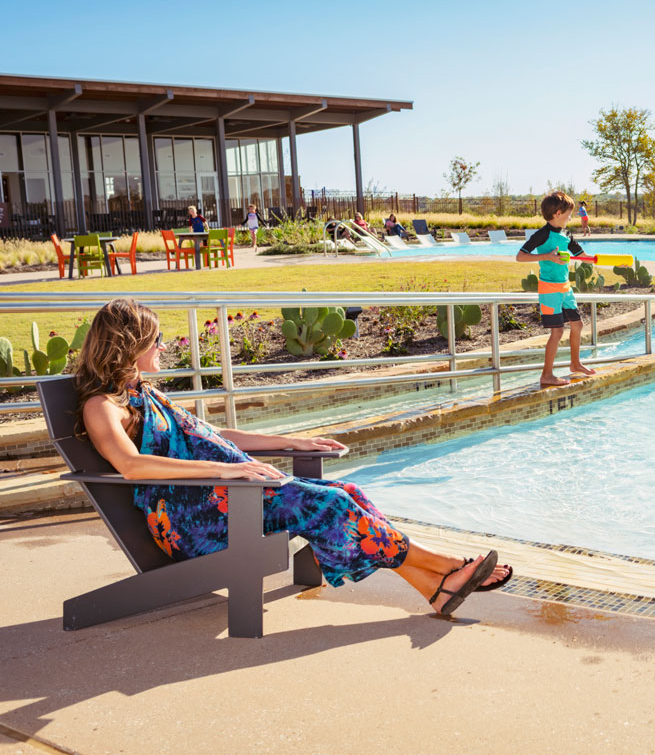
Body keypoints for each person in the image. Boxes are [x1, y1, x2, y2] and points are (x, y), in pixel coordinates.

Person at [75, 298, 512, 616]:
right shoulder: (102, 406)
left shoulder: (142, 393)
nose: (163, 347)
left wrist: (295, 442)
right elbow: (130, 466)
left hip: (228, 497)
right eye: (156, 340)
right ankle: (449, 566)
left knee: (347, 490)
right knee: (334, 505)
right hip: (196, 520)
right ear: (128, 345)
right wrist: (230, 469)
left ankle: (434, 589)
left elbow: (212, 434)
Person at [516, 191, 598, 387]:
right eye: (569, 214)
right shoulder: (542, 235)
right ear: (558, 213)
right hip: (549, 289)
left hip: (565, 288)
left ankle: (575, 363)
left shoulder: (566, 234)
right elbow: (520, 256)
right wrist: (547, 257)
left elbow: (583, 255)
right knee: (557, 332)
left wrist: (611, 263)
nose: (571, 217)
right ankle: (547, 375)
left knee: (577, 325)